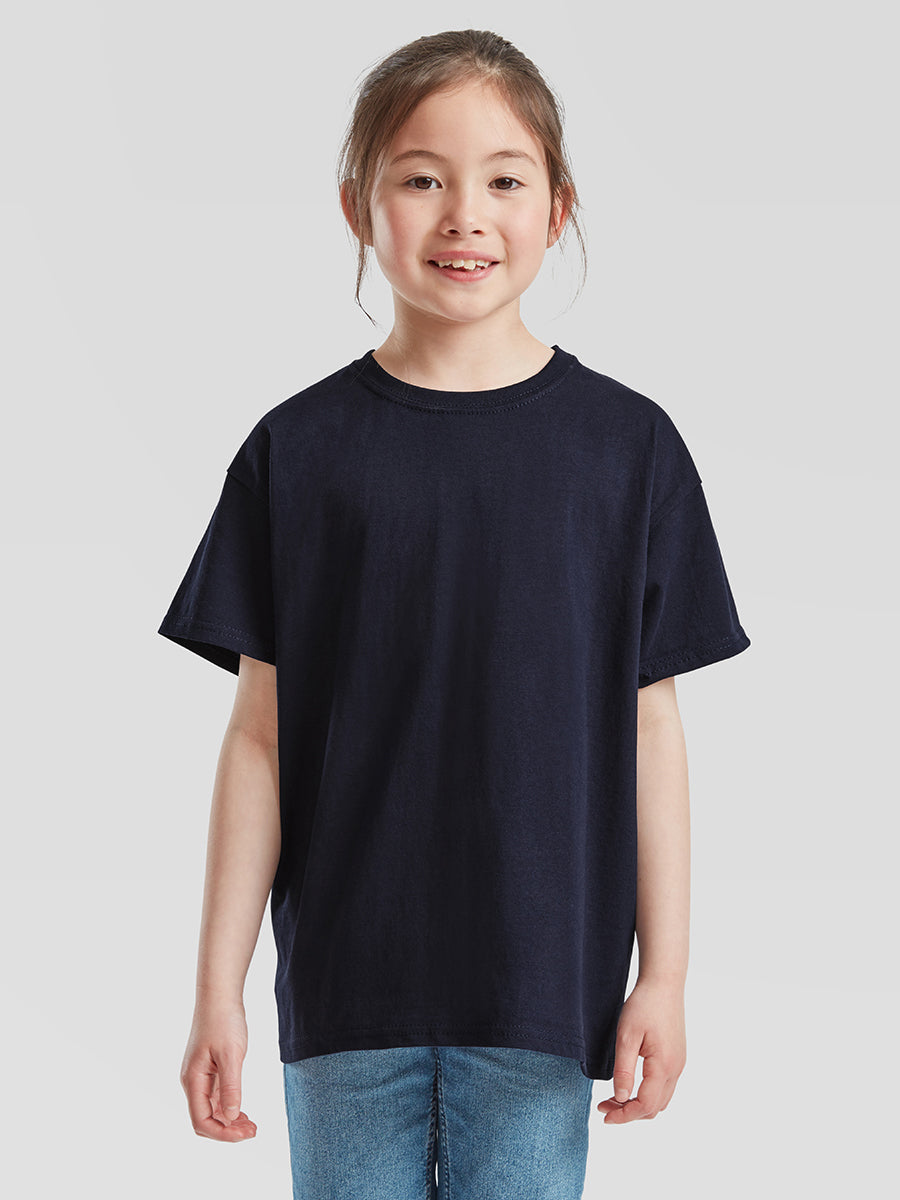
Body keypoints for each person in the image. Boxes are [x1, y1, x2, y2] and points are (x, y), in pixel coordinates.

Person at [158, 28, 751, 1200]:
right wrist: (216, 988)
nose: (464, 216)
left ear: (558, 207)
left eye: (505, 180)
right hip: (346, 999)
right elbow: (261, 739)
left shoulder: (626, 450)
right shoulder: (297, 453)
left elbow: (651, 732)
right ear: (358, 206)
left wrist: (666, 976)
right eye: (422, 178)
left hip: (543, 996)